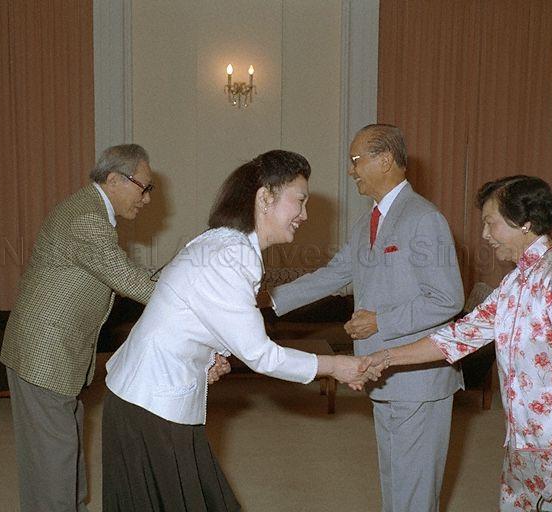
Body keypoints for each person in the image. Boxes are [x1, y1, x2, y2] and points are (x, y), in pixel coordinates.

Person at [102, 149, 377, 511]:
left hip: (142, 400)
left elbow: (189, 316)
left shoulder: (222, 241)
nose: (305, 215)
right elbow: (261, 354)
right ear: (265, 198)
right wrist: (335, 366)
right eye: (300, 201)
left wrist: (209, 357)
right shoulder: (233, 255)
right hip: (152, 408)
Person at [361, 175, 552, 512]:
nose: (485, 234)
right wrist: (385, 357)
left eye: (490, 223)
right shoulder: (517, 281)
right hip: (526, 441)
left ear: (524, 222)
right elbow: (458, 336)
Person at [266, 124, 465, 512]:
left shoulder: (424, 218)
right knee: (396, 482)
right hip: (380, 372)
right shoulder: (367, 222)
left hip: (418, 378)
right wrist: (267, 301)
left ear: (385, 160)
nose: (351, 171)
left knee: (415, 492)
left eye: (356, 161)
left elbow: (448, 298)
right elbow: (332, 275)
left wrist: (380, 321)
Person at [0, 144, 163, 512]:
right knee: (53, 461)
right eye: (145, 187)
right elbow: (125, 278)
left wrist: (174, 280)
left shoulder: (91, 213)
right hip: (43, 354)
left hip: (55, 353)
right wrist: (185, 301)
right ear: (115, 179)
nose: (147, 199)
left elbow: (125, 274)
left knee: (61, 451)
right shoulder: (86, 218)